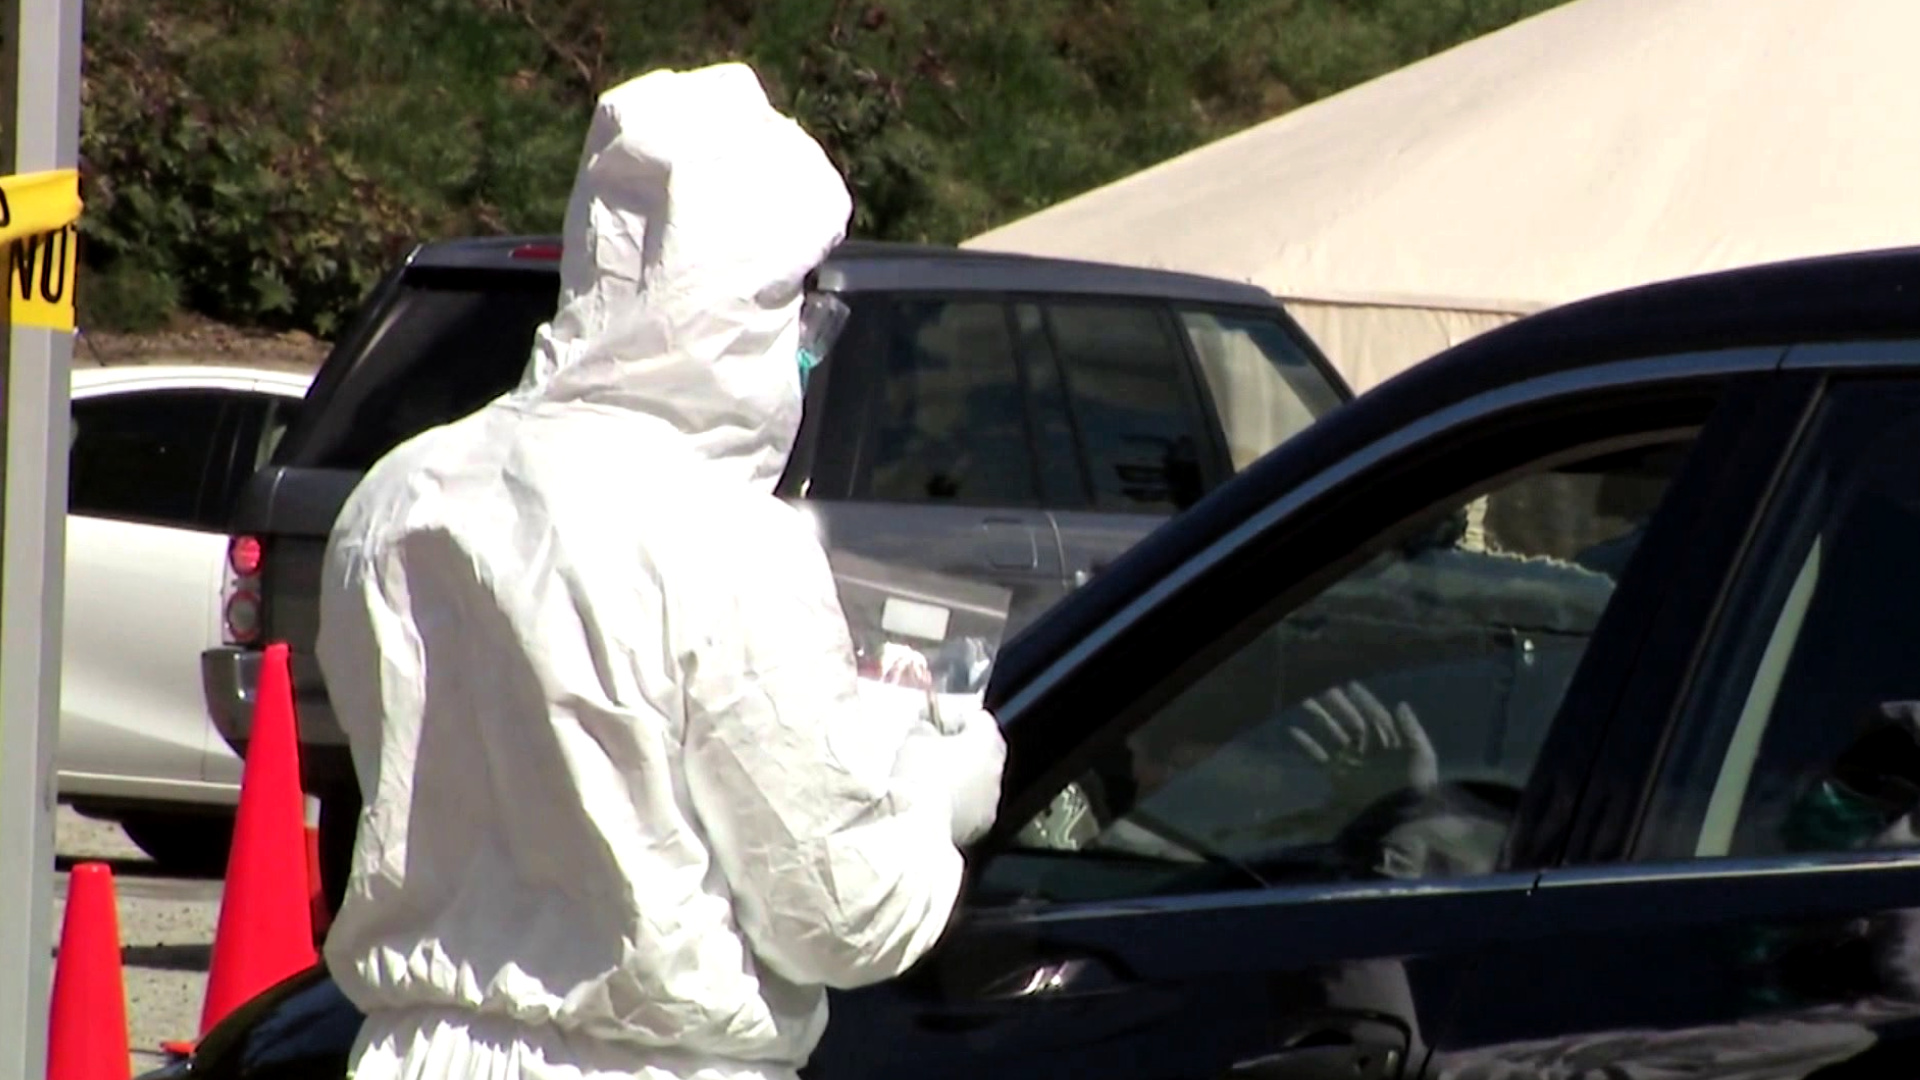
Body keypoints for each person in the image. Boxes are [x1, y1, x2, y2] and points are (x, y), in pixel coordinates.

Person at [314, 62, 1007, 1080]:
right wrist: (934, 794)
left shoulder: (396, 502)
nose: (807, 351)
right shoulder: (729, 545)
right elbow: (834, 914)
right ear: (747, 307)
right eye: (800, 314)